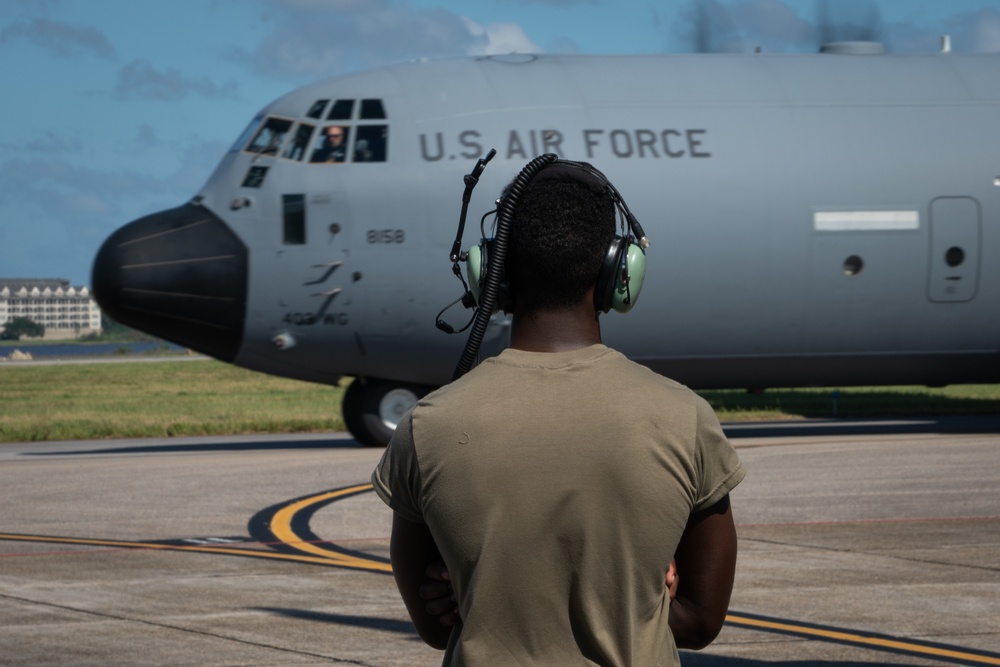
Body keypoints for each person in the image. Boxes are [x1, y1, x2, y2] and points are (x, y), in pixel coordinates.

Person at [372, 157, 745, 666]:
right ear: (620, 270)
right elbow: (701, 622)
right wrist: (642, 597)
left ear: (492, 273)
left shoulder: (429, 426)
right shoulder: (683, 417)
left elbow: (436, 626)